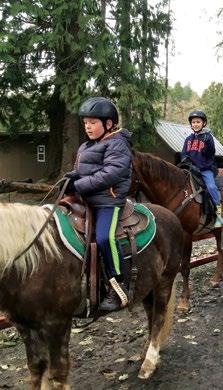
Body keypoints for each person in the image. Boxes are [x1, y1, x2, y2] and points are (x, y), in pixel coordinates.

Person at [63, 97, 132, 312]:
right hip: (87, 199)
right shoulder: (86, 145)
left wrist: (80, 185)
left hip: (108, 201)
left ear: (108, 124)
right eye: (85, 123)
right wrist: (70, 178)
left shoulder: (118, 144)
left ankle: (118, 285)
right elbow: (84, 170)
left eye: (93, 122)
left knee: (105, 237)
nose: (88, 127)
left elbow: (110, 173)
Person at [181, 110, 223, 227]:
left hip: (204, 169)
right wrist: (184, 160)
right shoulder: (188, 139)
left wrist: (208, 143)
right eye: (193, 122)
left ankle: (219, 214)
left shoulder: (208, 137)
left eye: (198, 122)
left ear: (203, 123)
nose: (195, 124)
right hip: (191, 168)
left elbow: (211, 153)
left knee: (211, 187)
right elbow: (184, 153)